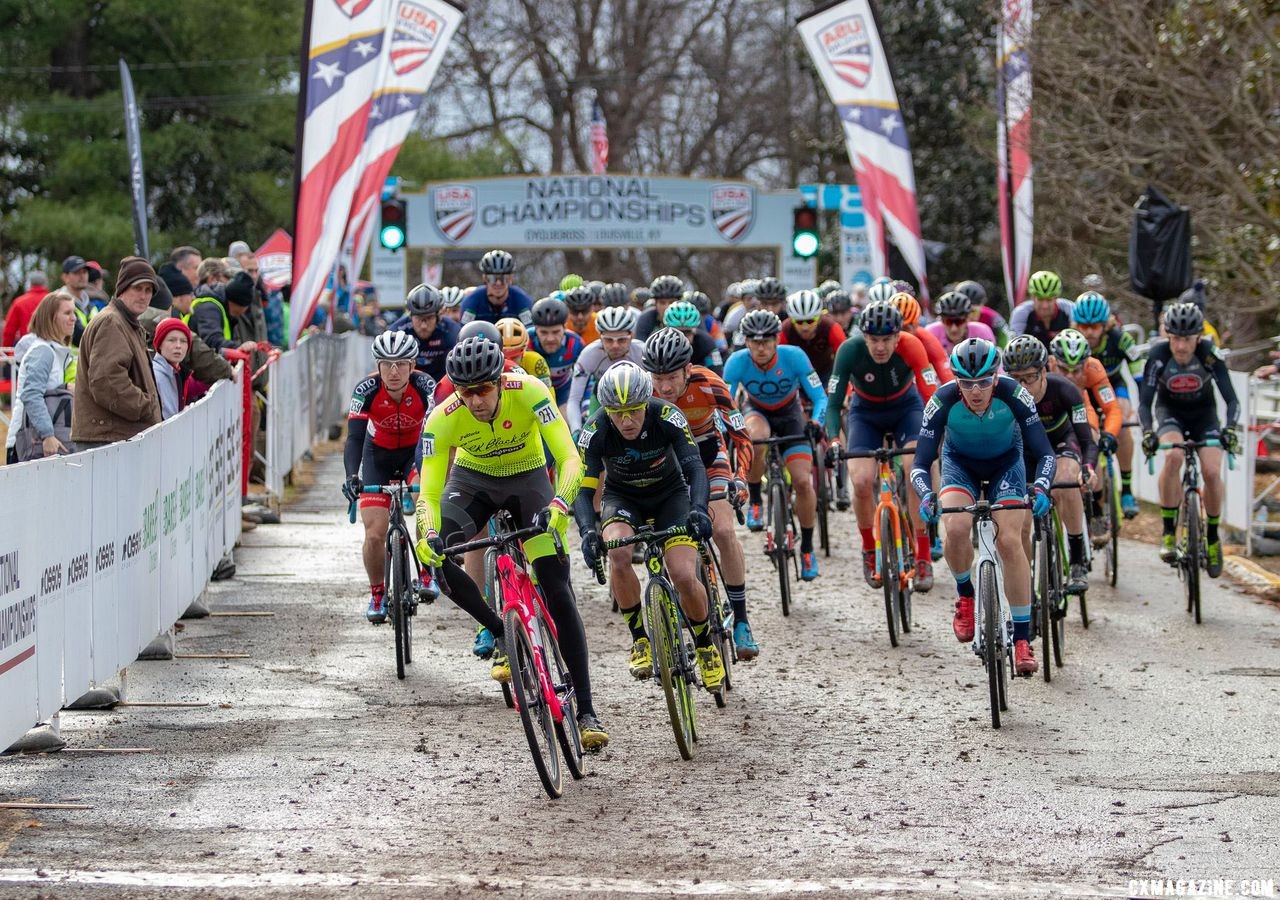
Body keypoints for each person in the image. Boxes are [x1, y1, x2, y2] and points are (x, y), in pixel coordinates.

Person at [413, 336, 607, 749]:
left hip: (529, 479)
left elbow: (570, 458)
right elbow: (428, 496)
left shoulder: (532, 392)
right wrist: (426, 533)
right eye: (466, 393)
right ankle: (501, 630)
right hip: (473, 482)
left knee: (557, 589)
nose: (476, 400)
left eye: (483, 389)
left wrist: (559, 504)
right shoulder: (443, 417)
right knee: (438, 559)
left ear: (500, 380)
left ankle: (587, 708)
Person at [573, 362, 725, 689]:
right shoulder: (595, 428)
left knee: (684, 575)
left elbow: (695, 469)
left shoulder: (666, 415)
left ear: (646, 403)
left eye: (633, 412)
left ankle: (704, 644)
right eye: (617, 413)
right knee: (618, 555)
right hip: (623, 497)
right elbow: (582, 490)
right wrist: (587, 530)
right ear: (606, 410)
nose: (626, 421)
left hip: (671, 495)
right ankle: (640, 638)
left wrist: (698, 509)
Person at [912, 338, 1056, 676]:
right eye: (966, 383)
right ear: (956, 380)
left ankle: (1022, 639)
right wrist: (926, 495)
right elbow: (920, 463)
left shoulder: (1014, 394)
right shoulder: (943, 400)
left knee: (1009, 540)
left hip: (1006, 463)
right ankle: (965, 596)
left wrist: (1041, 486)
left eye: (983, 382)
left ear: (996, 376)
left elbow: (1045, 452)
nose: (975, 391)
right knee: (957, 528)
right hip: (960, 464)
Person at [642, 327, 759, 659]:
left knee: (723, 530)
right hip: (665, 464)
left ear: (687, 370)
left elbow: (740, 434)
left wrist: (740, 478)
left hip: (708, 456)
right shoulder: (642, 392)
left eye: (671, 377)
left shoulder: (709, 382)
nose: (663, 386)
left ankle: (741, 619)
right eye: (657, 377)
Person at [825, 301, 939, 590]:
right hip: (865, 413)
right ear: (864, 337)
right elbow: (835, 403)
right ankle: (870, 549)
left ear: (898, 336)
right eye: (874, 340)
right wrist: (835, 440)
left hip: (906, 408)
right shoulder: (849, 351)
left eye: (887, 339)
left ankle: (923, 556)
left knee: (916, 470)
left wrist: (934, 434)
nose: (880, 347)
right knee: (862, 481)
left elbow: (931, 396)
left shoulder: (912, 345)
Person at [723, 309, 827, 580]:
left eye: (767, 341)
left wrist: (816, 423)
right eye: (754, 341)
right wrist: (730, 428)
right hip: (756, 410)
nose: (761, 347)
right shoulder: (737, 362)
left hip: (791, 414)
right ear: (745, 341)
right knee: (755, 439)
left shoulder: (794, 356)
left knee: (803, 482)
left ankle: (806, 547)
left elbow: (820, 397)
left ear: (776, 340)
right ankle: (756, 499)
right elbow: (726, 402)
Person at [341, 331, 438, 622]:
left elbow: (435, 433)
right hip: (377, 456)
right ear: (378, 366)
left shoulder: (426, 386)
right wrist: (350, 476)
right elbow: (354, 439)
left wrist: (434, 476)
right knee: (374, 533)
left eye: (400, 364)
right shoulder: (366, 389)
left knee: (424, 506)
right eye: (386, 364)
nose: (393, 371)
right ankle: (378, 593)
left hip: (415, 452)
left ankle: (425, 571)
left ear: (412, 365)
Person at [1138, 302, 1240, 577]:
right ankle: (1169, 530)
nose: (1181, 347)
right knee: (1173, 457)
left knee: (1211, 471)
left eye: (1187, 340)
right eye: (1175, 339)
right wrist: (1148, 431)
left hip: (1204, 416)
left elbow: (1232, 399)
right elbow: (1145, 403)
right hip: (1170, 413)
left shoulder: (1209, 354)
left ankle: (1214, 537)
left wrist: (1230, 428)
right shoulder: (1158, 355)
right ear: (1167, 337)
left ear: (1198, 337)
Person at [1002, 335, 1098, 594]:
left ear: (1044, 371)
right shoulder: (1004, 398)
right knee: (1021, 523)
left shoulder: (1065, 390)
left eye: (1029, 378)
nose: (1022, 386)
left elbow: (1087, 439)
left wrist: (1088, 468)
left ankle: (1077, 558)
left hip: (1061, 445)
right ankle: (1026, 587)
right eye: (1015, 379)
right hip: (1025, 454)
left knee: (1067, 479)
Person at [70, 257, 163, 449]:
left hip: (115, 437)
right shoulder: (112, 322)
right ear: (122, 289)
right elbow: (108, 381)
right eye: (137, 288)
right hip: (107, 440)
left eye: (148, 290)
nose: (144, 296)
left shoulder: (126, 322)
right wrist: (147, 407)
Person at [1070, 291, 1144, 519]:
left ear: (1106, 324)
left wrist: (1142, 408)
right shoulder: (1072, 339)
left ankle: (1128, 489)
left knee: (1121, 421)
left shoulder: (1120, 338)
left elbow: (1138, 375)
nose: (1089, 332)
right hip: (1086, 391)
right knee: (1090, 438)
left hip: (1112, 385)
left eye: (1095, 326)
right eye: (1084, 326)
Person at [1048, 328, 1122, 543]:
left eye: (1077, 370)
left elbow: (1112, 409)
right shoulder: (1042, 368)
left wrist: (1109, 434)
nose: (1071, 376)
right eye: (1064, 370)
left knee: (1092, 440)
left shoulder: (1094, 367)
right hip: (1052, 412)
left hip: (1081, 407)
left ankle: (1097, 509)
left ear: (1086, 364)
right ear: (1052, 363)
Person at [8, 289, 77, 462]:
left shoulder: (50, 351)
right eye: (67, 313)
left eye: (73, 312)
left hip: (38, 440)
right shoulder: (43, 351)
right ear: (51, 318)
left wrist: (63, 388)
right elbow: (31, 394)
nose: (74, 318)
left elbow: (43, 390)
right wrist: (47, 435)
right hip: (31, 442)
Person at [566, 305, 645, 433]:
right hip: (601, 400)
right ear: (600, 337)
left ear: (631, 335)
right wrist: (576, 430)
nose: (615, 346)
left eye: (622, 340)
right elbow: (574, 398)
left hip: (638, 401)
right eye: (608, 340)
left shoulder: (642, 351)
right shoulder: (589, 354)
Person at [390, 283, 460, 381]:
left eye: (429, 318)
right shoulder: (397, 331)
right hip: (409, 383)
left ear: (438, 316)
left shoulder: (451, 330)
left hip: (443, 382)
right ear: (410, 316)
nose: (423, 325)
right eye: (418, 318)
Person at [530, 296, 584, 415]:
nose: (550, 339)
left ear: (565, 327)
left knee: (566, 420)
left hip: (563, 391)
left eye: (556, 332)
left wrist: (585, 406)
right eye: (543, 332)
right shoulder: (525, 341)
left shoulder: (575, 343)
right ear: (535, 329)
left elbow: (586, 377)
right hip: (533, 392)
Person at [778, 289, 846, 384]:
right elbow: (777, 363)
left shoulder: (831, 328)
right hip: (795, 375)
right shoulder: (785, 330)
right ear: (791, 319)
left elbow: (845, 361)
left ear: (819, 318)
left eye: (810, 321)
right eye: (799, 322)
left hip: (825, 373)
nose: (805, 327)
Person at [458, 250, 534, 326]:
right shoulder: (472, 301)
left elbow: (531, 331)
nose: (498, 283)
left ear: (510, 279)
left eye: (503, 278)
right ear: (484, 279)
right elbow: (462, 332)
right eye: (492, 278)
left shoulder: (522, 300)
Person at [892, 292, 953, 383]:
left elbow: (948, 380)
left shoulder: (927, 341)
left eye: (906, 328)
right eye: (898, 328)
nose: (902, 334)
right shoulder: (878, 340)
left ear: (917, 325)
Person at [1010, 270, 1074, 344]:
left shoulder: (1069, 308)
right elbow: (1015, 345)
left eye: (1049, 300)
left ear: (1056, 297)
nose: (1045, 306)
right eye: (1040, 299)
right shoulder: (1020, 313)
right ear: (1032, 297)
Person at [925, 290, 997, 354]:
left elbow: (994, 363)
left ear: (967, 319)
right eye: (948, 322)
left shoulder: (982, 331)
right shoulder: (930, 333)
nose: (954, 329)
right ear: (941, 320)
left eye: (959, 322)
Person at [661, 299, 723, 373]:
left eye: (687, 332)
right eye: (677, 332)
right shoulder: (658, 343)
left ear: (695, 331)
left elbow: (717, 373)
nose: (682, 337)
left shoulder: (706, 342)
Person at [152, 318, 194, 420]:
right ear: (160, 344)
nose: (178, 346)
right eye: (172, 340)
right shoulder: (156, 375)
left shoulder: (178, 371)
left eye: (183, 341)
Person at [495, 317, 552, 390]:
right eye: (504, 358)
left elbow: (548, 393)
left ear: (523, 352)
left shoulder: (536, 361)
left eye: (514, 358)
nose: (509, 362)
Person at [955, 280, 1009, 348]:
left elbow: (1006, 340)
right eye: (963, 312)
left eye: (973, 311)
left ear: (982, 306)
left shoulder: (992, 317)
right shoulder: (949, 319)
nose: (968, 317)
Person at [3, 271, 49, 348]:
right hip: (51, 349)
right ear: (45, 283)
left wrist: (6, 352)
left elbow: (9, 331)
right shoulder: (54, 301)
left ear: (30, 284)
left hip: (26, 349)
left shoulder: (19, 302)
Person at [634, 275, 684, 341]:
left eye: (671, 302)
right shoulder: (646, 318)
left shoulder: (689, 317)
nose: (667, 307)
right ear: (655, 303)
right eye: (662, 303)